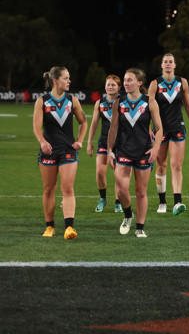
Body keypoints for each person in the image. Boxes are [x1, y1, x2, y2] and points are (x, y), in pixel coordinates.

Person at [107, 68, 163, 238]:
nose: (126, 83)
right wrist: (109, 151)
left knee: (141, 192)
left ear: (139, 83)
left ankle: (140, 227)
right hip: (123, 151)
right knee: (122, 190)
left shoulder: (150, 102)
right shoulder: (119, 103)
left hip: (144, 152)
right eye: (125, 80)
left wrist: (156, 148)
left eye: (130, 80)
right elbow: (113, 128)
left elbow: (159, 128)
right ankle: (128, 214)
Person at [33, 66, 87, 239]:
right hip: (48, 151)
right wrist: (42, 142)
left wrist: (80, 140)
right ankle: (50, 227)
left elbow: (83, 122)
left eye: (69, 78)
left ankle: (69, 227)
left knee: (68, 188)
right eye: (66, 78)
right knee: (49, 189)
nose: (69, 81)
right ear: (55, 81)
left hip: (68, 151)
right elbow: (36, 126)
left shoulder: (72, 100)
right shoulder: (42, 101)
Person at [148, 53, 189, 216]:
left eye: (171, 61)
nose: (168, 64)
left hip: (178, 127)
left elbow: (188, 106)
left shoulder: (182, 82)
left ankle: (177, 202)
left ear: (175, 65)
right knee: (161, 165)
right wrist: (148, 129)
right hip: (160, 130)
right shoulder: (155, 84)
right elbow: (147, 107)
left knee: (177, 166)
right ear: (162, 65)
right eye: (165, 62)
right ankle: (162, 201)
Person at [86, 74, 123, 213]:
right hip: (103, 141)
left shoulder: (123, 102)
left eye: (113, 85)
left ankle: (118, 202)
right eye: (108, 84)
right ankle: (103, 199)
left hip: (121, 143)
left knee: (118, 174)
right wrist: (89, 142)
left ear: (119, 87)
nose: (110, 87)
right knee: (100, 172)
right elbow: (94, 123)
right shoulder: (99, 103)